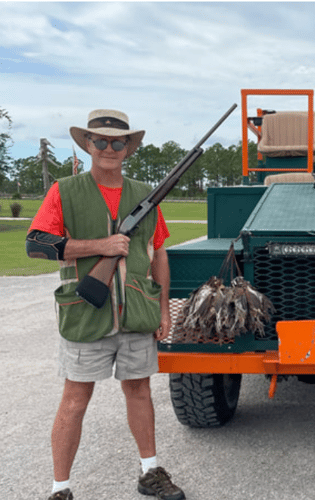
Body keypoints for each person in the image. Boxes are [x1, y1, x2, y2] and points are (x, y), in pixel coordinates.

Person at [27, 110, 185, 500]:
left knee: (140, 391)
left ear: (128, 148)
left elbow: (158, 252)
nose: (109, 148)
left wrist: (163, 309)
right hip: (85, 313)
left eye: (118, 142)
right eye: (100, 141)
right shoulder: (65, 190)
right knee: (75, 400)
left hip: (136, 312)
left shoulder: (145, 194)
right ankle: (60, 489)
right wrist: (101, 246)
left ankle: (150, 472)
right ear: (88, 145)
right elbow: (36, 244)